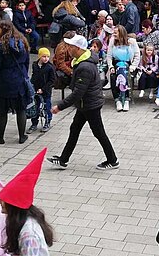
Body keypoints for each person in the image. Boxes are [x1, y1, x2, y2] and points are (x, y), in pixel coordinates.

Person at [46, 34, 120, 170]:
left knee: (98, 132)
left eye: (70, 46)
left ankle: (112, 160)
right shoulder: (81, 61)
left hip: (90, 105)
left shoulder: (85, 67)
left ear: (78, 48)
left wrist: (59, 107)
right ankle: (63, 159)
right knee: (74, 129)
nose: (68, 48)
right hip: (84, 104)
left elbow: (78, 92)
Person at [0, 20, 30, 145]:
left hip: (4, 81)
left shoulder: (0, 46)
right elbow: (26, 62)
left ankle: (0, 137)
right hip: (19, 80)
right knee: (21, 110)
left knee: (2, 111)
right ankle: (22, 136)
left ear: (3, 30)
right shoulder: (23, 42)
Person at [28, 48, 55, 133]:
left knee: (47, 107)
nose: (46, 58)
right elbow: (34, 76)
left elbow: (52, 80)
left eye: (47, 56)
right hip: (36, 90)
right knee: (35, 107)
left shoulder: (50, 67)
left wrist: (43, 89)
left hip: (46, 91)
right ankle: (34, 123)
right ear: (39, 56)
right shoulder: (35, 65)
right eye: (44, 56)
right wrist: (31, 86)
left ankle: (47, 122)